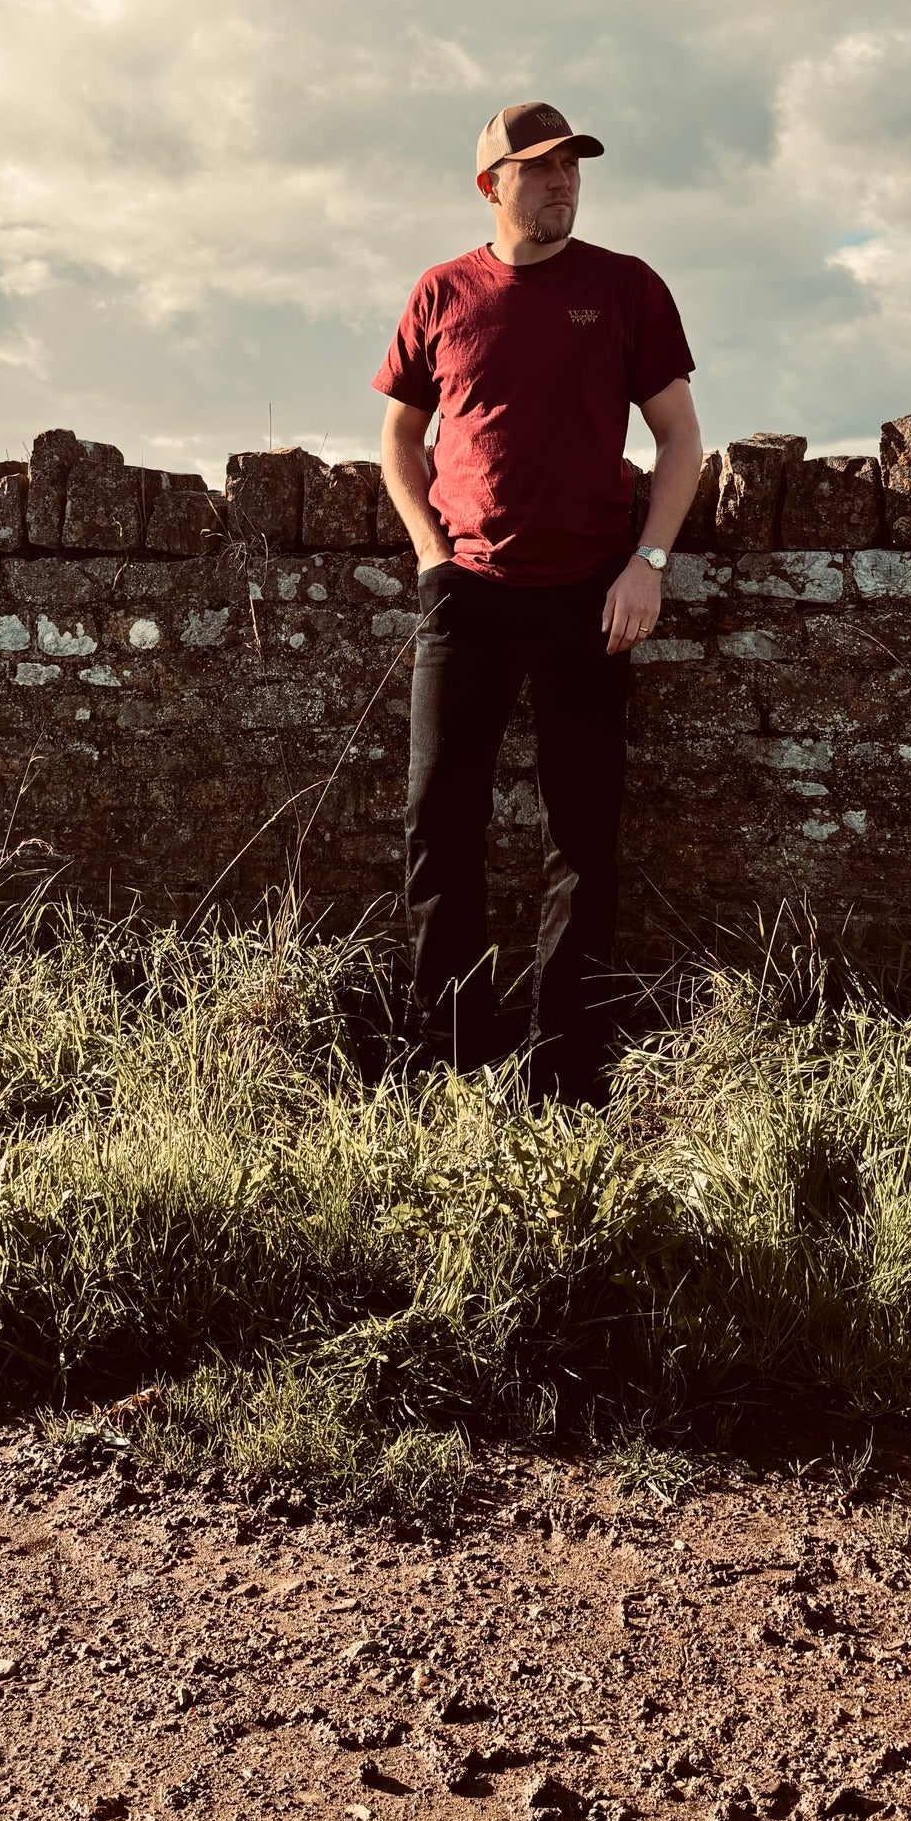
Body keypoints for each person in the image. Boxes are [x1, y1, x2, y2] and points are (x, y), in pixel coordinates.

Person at [373, 100, 704, 1099]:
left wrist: (646, 560)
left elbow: (679, 439)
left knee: (580, 834)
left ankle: (566, 1073)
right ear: (491, 185)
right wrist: (432, 556)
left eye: (571, 167)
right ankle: (450, 1061)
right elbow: (396, 440)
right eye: (539, 168)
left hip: (587, 598)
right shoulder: (442, 291)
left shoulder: (625, 288)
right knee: (439, 823)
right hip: (465, 595)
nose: (561, 182)